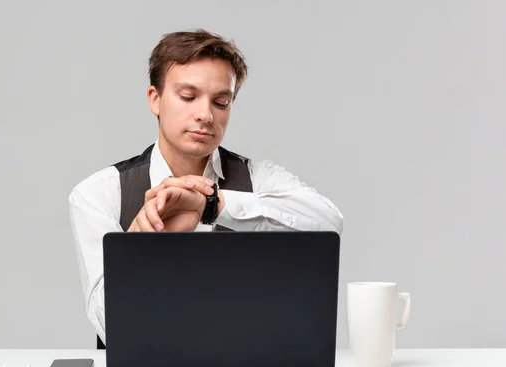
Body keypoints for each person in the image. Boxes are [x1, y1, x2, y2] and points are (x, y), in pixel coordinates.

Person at [68, 29, 344, 346]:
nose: (205, 115)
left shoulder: (259, 178)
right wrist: (138, 248)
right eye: (188, 97)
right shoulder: (100, 193)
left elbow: (330, 225)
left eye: (221, 102)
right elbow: (108, 327)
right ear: (155, 100)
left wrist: (211, 206)